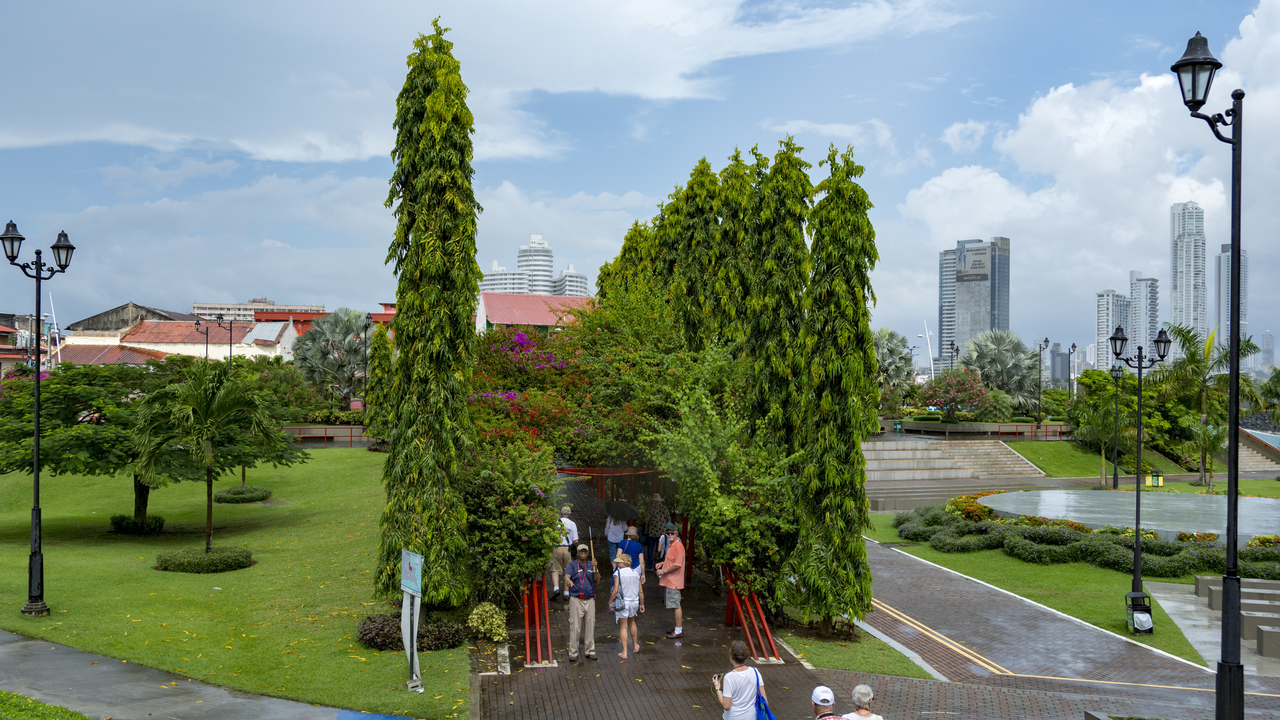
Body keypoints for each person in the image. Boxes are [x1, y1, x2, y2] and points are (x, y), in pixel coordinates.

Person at [564, 543, 599, 662]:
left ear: (588, 553)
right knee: (575, 626)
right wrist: (568, 580)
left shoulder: (592, 564)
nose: (583, 553)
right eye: (581, 551)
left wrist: (596, 569)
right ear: (577, 553)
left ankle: (590, 651)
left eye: (585, 551)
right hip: (576, 599)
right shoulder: (572, 565)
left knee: (590, 625)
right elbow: (567, 576)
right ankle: (573, 652)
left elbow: (597, 581)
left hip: (589, 599)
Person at [712, 640, 765, 720]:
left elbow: (726, 705)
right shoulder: (755, 672)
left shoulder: (729, 677)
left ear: (731, 657)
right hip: (752, 717)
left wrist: (718, 689)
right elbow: (764, 700)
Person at [609, 553, 644, 659]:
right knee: (632, 623)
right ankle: (635, 645)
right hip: (634, 602)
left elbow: (615, 590)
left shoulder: (618, 573)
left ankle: (624, 652)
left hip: (623, 603)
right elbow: (641, 591)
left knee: (623, 626)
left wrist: (610, 601)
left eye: (619, 562)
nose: (617, 563)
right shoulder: (636, 573)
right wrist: (642, 604)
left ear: (624, 563)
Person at [656, 522, 685, 638]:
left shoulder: (678, 547)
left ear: (677, 533)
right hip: (671, 580)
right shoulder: (672, 545)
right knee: (674, 604)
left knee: (676, 605)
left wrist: (663, 571)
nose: (670, 535)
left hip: (674, 581)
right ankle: (678, 627)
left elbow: (677, 565)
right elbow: (671, 560)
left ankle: (678, 630)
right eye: (668, 533)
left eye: (672, 533)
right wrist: (662, 563)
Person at [550, 505, 577, 599]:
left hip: (557, 548)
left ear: (561, 513)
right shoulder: (572, 524)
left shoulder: (555, 523)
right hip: (567, 549)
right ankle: (566, 592)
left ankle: (556, 588)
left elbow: (551, 537)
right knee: (567, 570)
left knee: (555, 568)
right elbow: (576, 541)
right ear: (570, 513)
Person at [643, 493, 669, 571]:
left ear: (653, 501)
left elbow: (646, 520)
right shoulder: (664, 508)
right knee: (662, 549)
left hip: (652, 532)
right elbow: (668, 519)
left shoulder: (651, 508)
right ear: (660, 501)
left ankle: (650, 566)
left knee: (650, 549)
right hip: (662, 532)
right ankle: (661, 565)